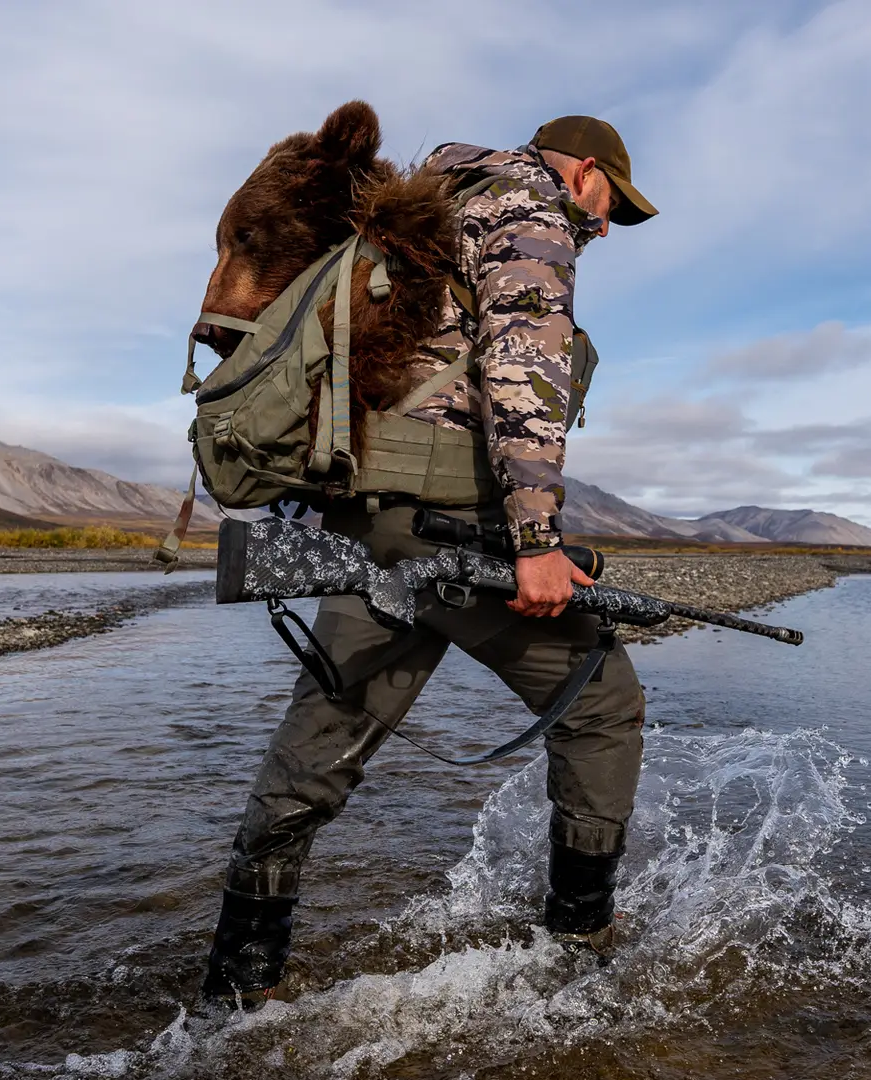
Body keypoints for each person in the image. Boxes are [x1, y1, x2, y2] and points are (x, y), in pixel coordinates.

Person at [202, 116, 660, 1005]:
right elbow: (524, 366)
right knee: (601, 703)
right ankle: (579, 960)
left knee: (319, 747)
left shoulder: (428, 209)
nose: (602, 228)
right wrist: (536, 543)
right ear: (587, 171)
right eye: (609, 207)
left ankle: (238, 987)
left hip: (368, 522)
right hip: (449, 519)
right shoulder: (529, 203)